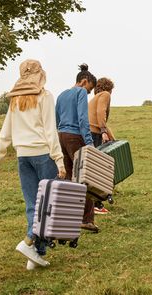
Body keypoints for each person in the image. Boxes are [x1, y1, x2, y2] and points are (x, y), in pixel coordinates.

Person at [0, 59, 66, 270]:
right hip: (43, 155)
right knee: (47, 205)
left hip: (23, 157)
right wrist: (59, 160)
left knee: (33, 205)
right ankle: (29, 241)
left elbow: (6, 132)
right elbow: (50, 130)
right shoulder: (45, 96)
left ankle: (35, 256)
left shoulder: (15, 100)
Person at [56, 63, 99, 232]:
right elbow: (82, 118)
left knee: (67, 177)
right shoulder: (80, 92)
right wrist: (89, 143)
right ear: (84, 81)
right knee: (85, 176)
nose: (88, 93)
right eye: (89, 89)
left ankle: (66, 218)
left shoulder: (61, 94)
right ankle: (86, 219)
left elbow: (56, 117)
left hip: (61, 136)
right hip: (75, 137)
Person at [88, 77, 115, 214]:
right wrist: (104, 132)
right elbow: (100, 113)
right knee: (98, 169)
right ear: (109, 88)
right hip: (95, 134)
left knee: (92, 168)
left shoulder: (96, 97)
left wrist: (112, 137)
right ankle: (97, 204)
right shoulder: (105, 95)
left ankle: (92, 203)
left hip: (90, 132)